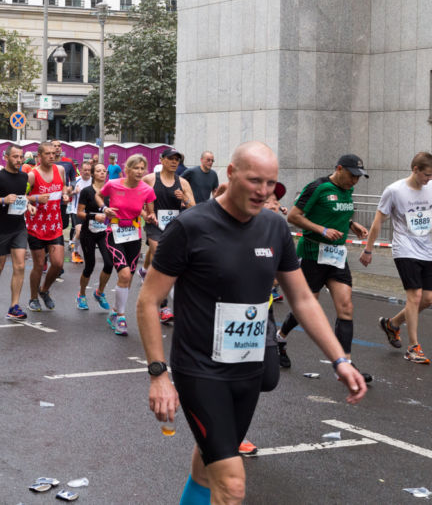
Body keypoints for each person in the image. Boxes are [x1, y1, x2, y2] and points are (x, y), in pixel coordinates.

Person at [137, 141, 366, 505]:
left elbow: (303, 299)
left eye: (271, 184)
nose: (264, 191)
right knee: (232, 483)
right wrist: (158, 374)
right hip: (200, 370)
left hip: (247, 369)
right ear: (230, 174)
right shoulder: (190, 226)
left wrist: (340, 359)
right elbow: (148, 302)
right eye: (255, 180)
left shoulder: (274, 227)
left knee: (206, 466)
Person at [275, 154, 372, 382]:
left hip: (337, 256)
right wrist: (322, 230)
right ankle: (280, 337)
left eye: (358, 177)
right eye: (352, 175)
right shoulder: (317, 187)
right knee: (307, 309)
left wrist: (352, 224)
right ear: (339, 168)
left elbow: (337, 211)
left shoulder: (348, 190)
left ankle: (345, 363)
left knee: (346, 306)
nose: (355, 181)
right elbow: (294, 216)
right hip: (312, 255)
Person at [365, 151, 432, 365]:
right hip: (405, 249)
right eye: (426, 175)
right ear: (415, 170)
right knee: (414, 296)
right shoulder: (394, 191)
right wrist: (368, 249)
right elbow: (378, 221)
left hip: (427, 249)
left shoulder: (431, 187)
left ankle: (392, 324)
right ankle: (413, 348)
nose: (428, 180)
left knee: (427, 299)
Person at [97, 154, 156, 336]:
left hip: (134, 235)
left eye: (142, 168)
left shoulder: (147, 190)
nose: (139, 172)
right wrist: (103, 208)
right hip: (114, 233)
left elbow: (149, 212)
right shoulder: (113, 184)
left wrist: (150, 216)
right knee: (123, 274)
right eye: (136, 168)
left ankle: (115, 311)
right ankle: (121, 316)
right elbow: (99, 195)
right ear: (127, 170)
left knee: (127, 278)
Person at [0, 144, 37, 321]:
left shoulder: (24, 176)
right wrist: (2, 200)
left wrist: (29, 205)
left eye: (20, 157)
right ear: (6, 157)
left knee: (20, 265)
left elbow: (20, 198)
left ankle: (14, 306)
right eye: (15, 157)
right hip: (0, 228)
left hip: (18, 227)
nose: (18, 160)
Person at [141, 148, 196, 323]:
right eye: (170, 159)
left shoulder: (183, 183)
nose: (174, 162)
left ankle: (146, 274)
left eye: (177, 160)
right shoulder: (150, 179)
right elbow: (135, 199)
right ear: (162, 160)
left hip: (174, 226)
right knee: (160, 255)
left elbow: (193, 207)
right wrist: (146, 215)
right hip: (155, 224)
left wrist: (184, 199)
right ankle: (163, 306)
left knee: (169, 261)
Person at [25, 142, 70, 313]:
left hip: (55, 224)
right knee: (38, 265)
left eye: (54, 153)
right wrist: (36, 199)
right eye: (48, 154)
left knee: (58, 264)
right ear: (39, 156)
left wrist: (65, 193)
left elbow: (63, 186)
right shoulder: (32, 175)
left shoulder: (60, 170)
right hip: (36, 225)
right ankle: (33, 298)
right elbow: (23, 196)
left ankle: (44, 290)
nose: (52, 156)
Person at [76, 162, 113, 311]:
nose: (102, 173)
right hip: (88, 233)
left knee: (109, 264)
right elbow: (79, 213)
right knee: (90, 266)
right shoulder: (86, 191)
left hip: (105, 232)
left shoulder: (110, 191)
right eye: (98, 171)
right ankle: (82, 294)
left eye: (104, 171)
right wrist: (94, 216)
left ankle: (100, 293)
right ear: (93, 174)